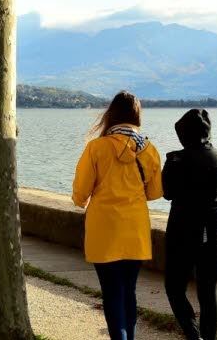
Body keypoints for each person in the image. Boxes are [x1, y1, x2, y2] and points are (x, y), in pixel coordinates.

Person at [72, 91, 162, 340]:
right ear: (137, 116)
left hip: (104, 228)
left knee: (112, 293)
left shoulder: (97, 147)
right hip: (135, 228)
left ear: (111, 114)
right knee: (128, 291)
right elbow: (155, 192)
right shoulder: (149, 149)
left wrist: (81, 201)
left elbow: (81, 192)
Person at [162, 109, 217, 340]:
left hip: (182, 233)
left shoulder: (175, 159)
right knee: (209, 293)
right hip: (216, 233)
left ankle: (192, 333)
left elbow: (167, 192)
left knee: (174, 287)